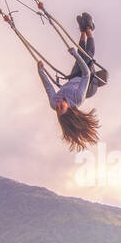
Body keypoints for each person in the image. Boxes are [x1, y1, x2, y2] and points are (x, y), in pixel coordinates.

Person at [36, 15, 101, 151]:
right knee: (87, 55)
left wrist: (41, 70)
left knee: (79, 56)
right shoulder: (78, 98)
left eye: (57, 109)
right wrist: (76, 55)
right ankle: (90, 29)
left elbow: (48, 87)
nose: (58, 105)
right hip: (88, 83)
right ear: (70, 109)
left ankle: (82, 31)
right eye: (61, 107)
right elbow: (86, 74)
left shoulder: (54, 103)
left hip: (73, 79)